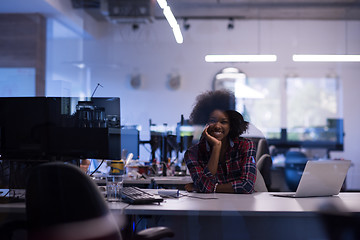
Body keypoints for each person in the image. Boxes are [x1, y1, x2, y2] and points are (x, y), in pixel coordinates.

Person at [184, 90, 257, 193]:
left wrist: (211, 188)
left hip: (242, 205)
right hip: (209, 206)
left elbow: (247, 185)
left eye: (224, 122)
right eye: (212, 121)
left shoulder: (245, 145)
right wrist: (216, 147)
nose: (218, 126)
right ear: (204, 122)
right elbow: (204, 187)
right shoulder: (193, 153)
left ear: (231, 125)